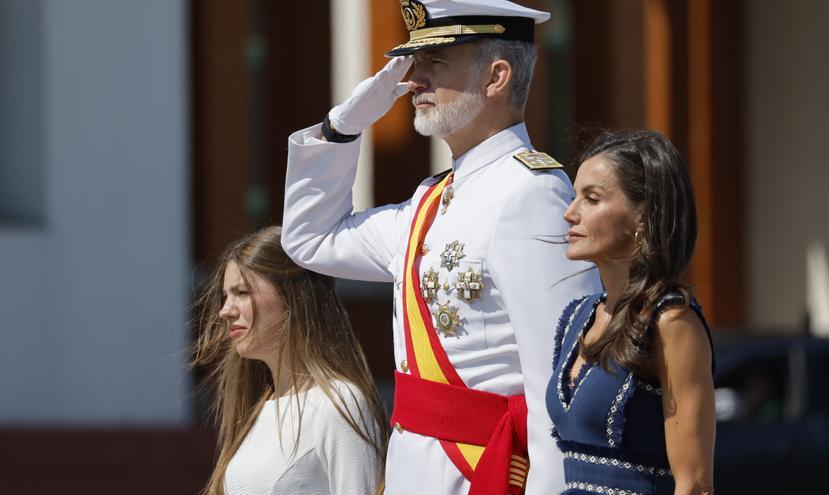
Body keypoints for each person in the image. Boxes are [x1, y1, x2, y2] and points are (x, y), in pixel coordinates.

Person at [281, 1, 602, 494]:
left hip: (480, 472)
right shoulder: (431, 199)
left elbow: (559, 383)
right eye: (414, 63)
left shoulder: (530, 194)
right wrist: (343, 126)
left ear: (496, 77)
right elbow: (310, 238)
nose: (413, 80)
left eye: (436, 62)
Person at [545, 130, 716, 495]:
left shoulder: (671, 321)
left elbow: (696, 484)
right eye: (575, 196)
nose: (569, 212)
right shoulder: (577, 317)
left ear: (643, 216)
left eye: (591, 199)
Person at [191, 226, 388, 495]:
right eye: (226, 296)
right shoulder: (259, 405)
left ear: (291, 299)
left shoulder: (339, 403)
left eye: (242, 293)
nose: (225, 311)